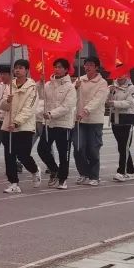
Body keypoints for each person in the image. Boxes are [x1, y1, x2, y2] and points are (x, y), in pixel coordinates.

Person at [0, 59, 41, 194]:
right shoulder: (9, 86)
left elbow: (29, 108)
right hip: (7, 126)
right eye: (16, 68)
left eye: (21, 68)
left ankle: (34, 170)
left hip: (24, 127)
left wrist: (17, 122)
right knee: (9, 155)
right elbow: (2, 106)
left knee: (23, 155)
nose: (17, 70)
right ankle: (13, 183)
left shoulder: (32, 88)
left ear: (27, 70)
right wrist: (7, 101)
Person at [39, 58, 77, 189]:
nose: (57, 69)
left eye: (60, 67)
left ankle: (62, 179)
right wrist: (40, 83)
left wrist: (51, 114)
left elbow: (67, 106)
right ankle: (54, 170)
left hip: (63, 124)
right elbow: (41, 99)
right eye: (55, 67)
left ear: (66, 70)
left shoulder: (70, 87)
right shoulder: (48, 84)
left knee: (63, 153)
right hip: (49, 124)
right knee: (42, 149)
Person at [73, 57, 109, 186]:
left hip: (94, 120)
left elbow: (98, 100)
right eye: (86, 65)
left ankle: (94, 176)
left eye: (91, 65)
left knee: (93, 149)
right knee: (78, 147)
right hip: (79, 120)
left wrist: (85, 110)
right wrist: (75, 88)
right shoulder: (79, 80)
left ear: (96, 67)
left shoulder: (102, 83)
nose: (87, 67)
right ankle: (84, 173)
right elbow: (71, 97)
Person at [108, 71, 134, 181]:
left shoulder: (132, 88)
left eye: (122, 73)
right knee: (122, 147)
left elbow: (130, 103)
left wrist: (115, 103)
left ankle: (122, 171)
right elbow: (107, 101)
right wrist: (109, 92)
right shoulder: (113, 87)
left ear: (126, 75)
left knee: (124, 146)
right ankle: (131, 170)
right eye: (117, 74)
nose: (119, 76)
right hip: (115, 119)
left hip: (127, 119)